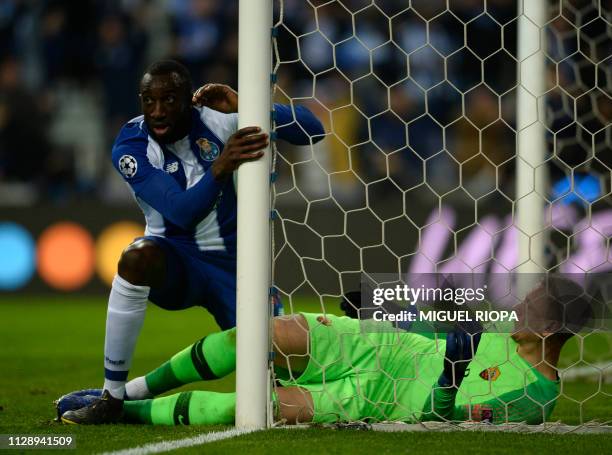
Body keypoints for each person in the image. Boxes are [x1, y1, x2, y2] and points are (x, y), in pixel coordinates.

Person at [61, 59, 324, 424]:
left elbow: (314, 130)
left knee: (288, 378)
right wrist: (221, 167)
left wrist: (249, 106)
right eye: (149, 101)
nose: (158, 111)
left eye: (169, 100)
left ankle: (135, 393)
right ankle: (111, 395)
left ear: (189, 100)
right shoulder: (131, 144)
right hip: (175, 262)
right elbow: (180, 212)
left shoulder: (221, 121)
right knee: (136, 257)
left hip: (236, 267)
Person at [60, 278, 591, 425]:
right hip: (380, 345)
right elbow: (445, 334)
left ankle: (125, 414)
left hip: (378, 397)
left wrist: (451, 362)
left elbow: (447, 412)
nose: (518, 305)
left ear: (552, 330)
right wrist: (394, 312)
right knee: (253, 337)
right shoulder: (505, 331)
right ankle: (120, 392)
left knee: (249, 409)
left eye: (532, 305)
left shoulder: (534, 397)